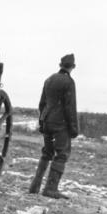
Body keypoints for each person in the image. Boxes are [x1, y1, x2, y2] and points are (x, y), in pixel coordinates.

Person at [29, 53, 78, 199]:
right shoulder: (69, 82)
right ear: (73, 67)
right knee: (62, 154)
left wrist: (42, 120)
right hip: (60, 124)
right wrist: (74, 128)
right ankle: (51, 188)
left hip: (47, 121)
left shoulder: (49, 79)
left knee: (47, 153)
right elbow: (70, 107)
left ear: (60, 65)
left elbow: (42, 104)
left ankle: (34, 186)